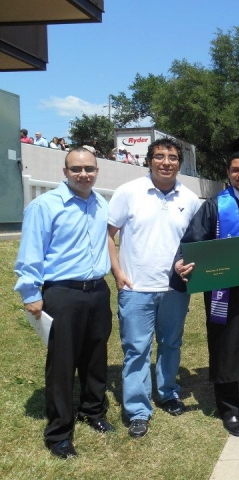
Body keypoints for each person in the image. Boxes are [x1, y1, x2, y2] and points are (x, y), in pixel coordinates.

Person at [14, 148, 113, 459]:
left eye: (89, 169)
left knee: (96, 356)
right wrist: (31, 293)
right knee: (62, 363)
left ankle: (93, 412)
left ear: (97, 171)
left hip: (97, 291)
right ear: (65, 171)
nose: (83, 174)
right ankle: (59, 433)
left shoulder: (101, 204)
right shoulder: (44, 206)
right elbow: (31, 251)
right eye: (76, 169)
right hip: (62, 293)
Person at [174, 149, 239, 437]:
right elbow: (193, 241)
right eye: (235, 170)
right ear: (228, 173)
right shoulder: (214, 206)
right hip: (225, 289)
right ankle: (229, 408)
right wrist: (182, 262)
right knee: (226, 344)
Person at [107, 138, 201, 439]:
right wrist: (117, 272)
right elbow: (108, 234)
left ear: (179, 163)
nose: (166, 162)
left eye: (172, 157)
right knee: (136, 350)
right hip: (136, 287)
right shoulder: (128, 192)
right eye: (159, 156)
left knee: (171, 344)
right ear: (149, 160)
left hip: (175, 288)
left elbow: (196, 242)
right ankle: (137, 409)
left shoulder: (191, 198)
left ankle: (168, 392)